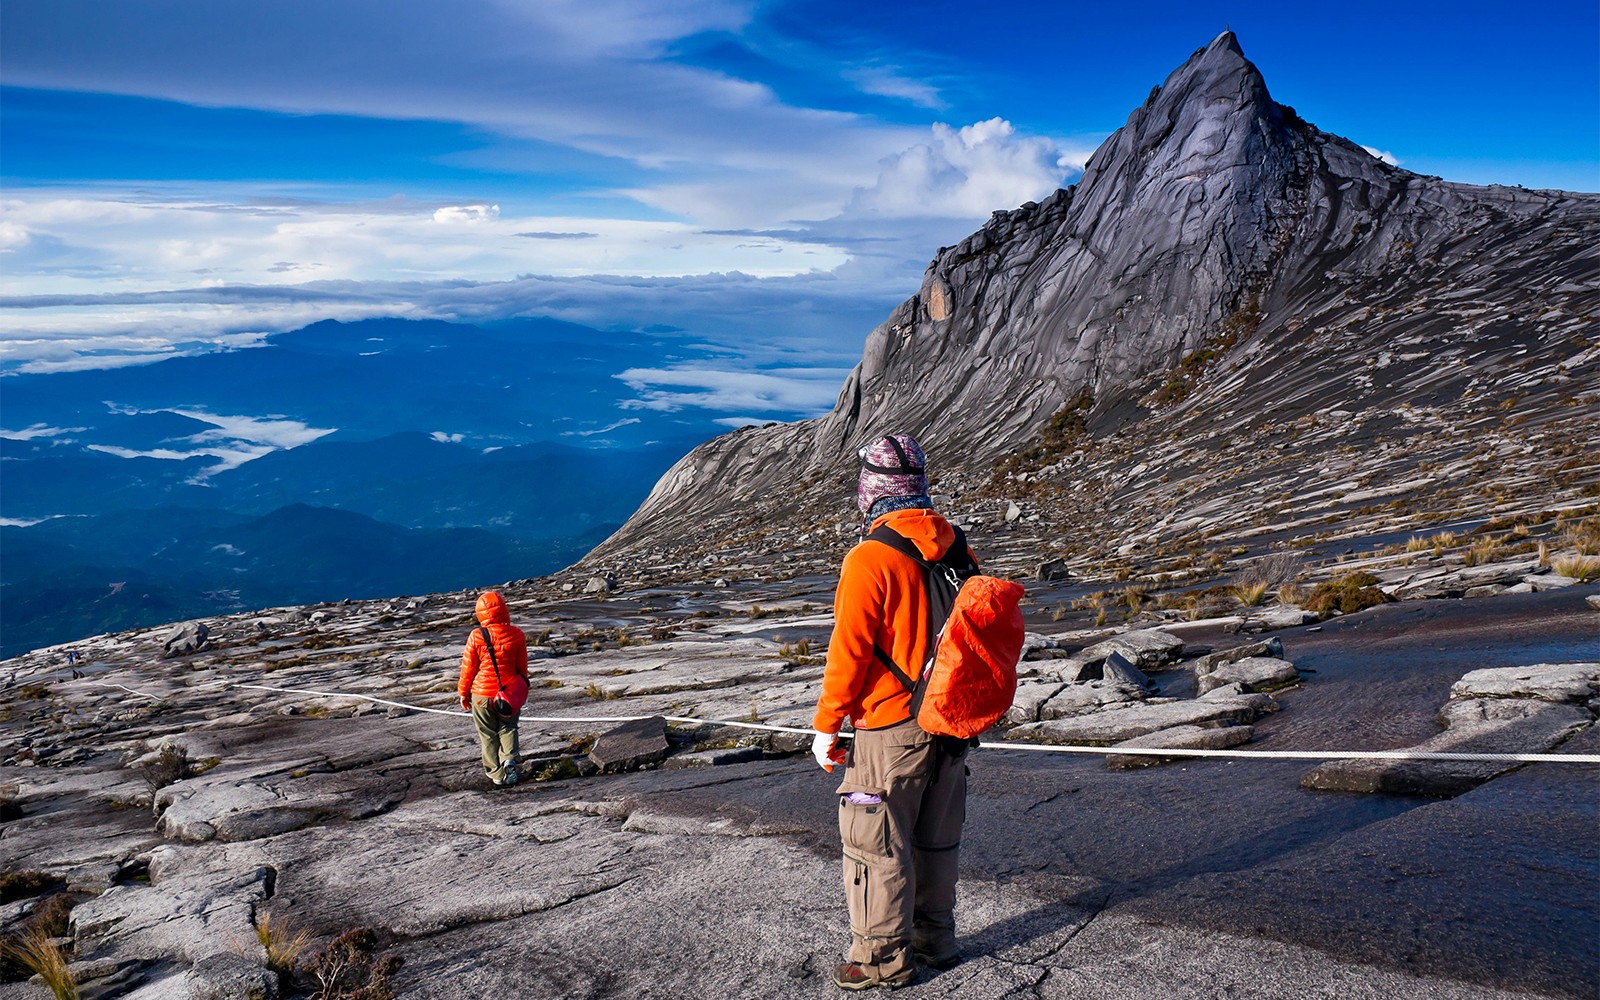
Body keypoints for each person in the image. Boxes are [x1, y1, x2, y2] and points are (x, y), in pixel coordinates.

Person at [811, 433, 978, 991]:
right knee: (936, 836)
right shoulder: (959, 550)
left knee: (874, 841)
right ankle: (937, 938)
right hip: (951, 724)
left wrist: (826, 725)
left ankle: (880, 959)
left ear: (870, 489)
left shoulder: (870, 558)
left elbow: (850, 650)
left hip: (890, 728)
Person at [458, 591, 528, 787]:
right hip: (507, 694)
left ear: (480, 613)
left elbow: (468, 668)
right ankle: (509, 760)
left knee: (487, 734)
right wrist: (522, 691)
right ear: (504, 610)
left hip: (481, 695)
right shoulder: (517, 634)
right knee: (508, 727)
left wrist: (463, 693)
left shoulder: (476, 636)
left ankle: (496, 774)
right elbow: (522, 668)